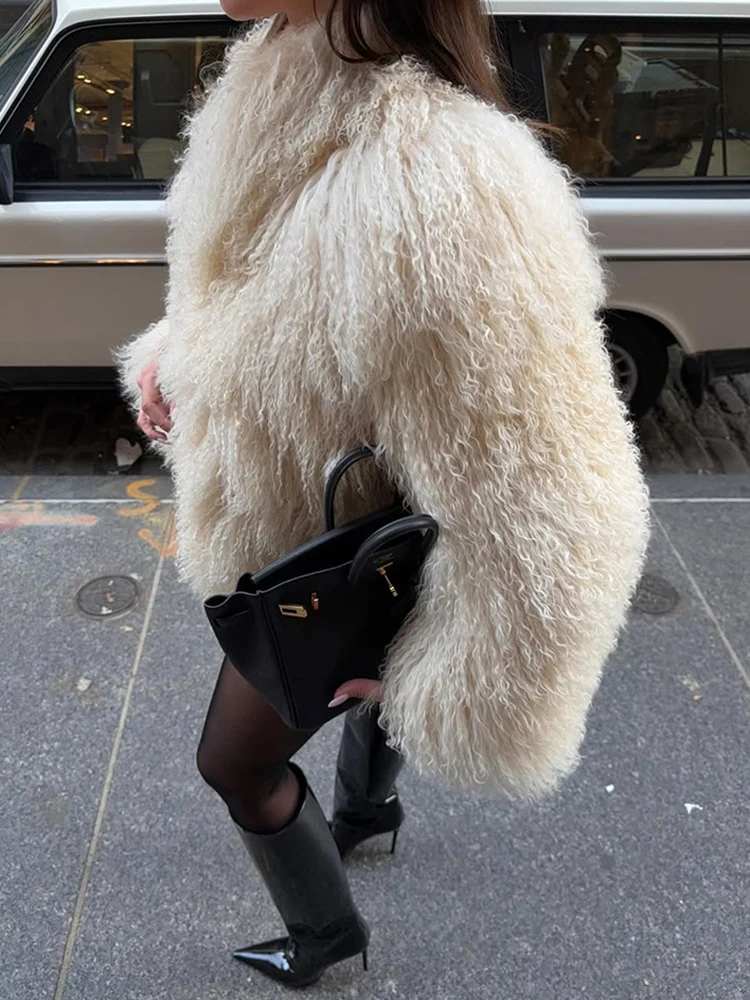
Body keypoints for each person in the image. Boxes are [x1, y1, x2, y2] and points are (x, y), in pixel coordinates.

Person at [118, 0, 649, 988]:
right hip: (341, 522)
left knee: (235, 761)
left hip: (346, 546)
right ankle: (370, 810)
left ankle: (328, 935)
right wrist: (175, 363)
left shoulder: (439, 173)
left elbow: (547, 478)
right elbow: (250, 305)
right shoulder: (276, 72)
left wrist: (462, 663)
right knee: (377, 645)